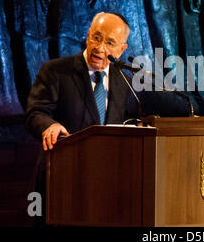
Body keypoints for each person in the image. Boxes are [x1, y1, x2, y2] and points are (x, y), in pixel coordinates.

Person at [25, 12, 133, 151]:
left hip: (107, 166)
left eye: (109, 43)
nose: (99, 48)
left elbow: (125, 122)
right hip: (62, 161)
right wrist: (50, 126)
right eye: (96, 38)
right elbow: (35, 113)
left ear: (121, 50)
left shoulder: (123, 82)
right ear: (88, 36)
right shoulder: (56, 71)